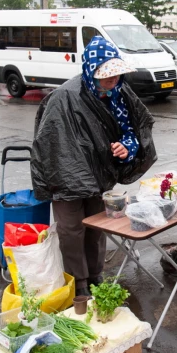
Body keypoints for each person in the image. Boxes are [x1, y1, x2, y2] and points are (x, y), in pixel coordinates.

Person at [31, 36, 158, 296]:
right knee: (71, 230)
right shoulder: (64, 96)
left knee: (97, 226)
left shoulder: (119, 94)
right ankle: (77, 285)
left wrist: (127, 147)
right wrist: (68, 175)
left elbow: (133, 131)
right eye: (107, 76)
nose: (113, 81)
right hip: (65, 178)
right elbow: (50, 143)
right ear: (90, 71)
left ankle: (95, 276)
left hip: (100, 175)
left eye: (117, 75)